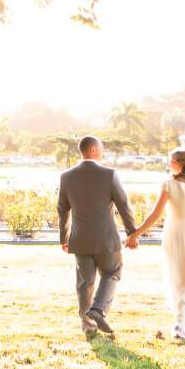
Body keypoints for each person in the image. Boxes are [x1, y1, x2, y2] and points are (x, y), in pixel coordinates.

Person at [127, 149, 185, 339]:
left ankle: (181, 324)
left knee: (178, 277)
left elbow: (156, 214)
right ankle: (184, 323)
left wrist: (136, 234)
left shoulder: (168, 184)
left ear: (180, 164)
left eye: (172, 161)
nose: (169, 164)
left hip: (175, 231)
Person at [58, 136, 138, 335]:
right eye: (101, 148)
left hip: (80, 239)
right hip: (107, 239)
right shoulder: (109, 174)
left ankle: (87, 323)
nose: (102, 151)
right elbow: (124, 205)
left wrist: (64, 238)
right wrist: (132, 233)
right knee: (113, 272)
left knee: (85, 282)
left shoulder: (66, 176)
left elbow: (62, 210)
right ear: (93, 150)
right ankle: (98, 309)